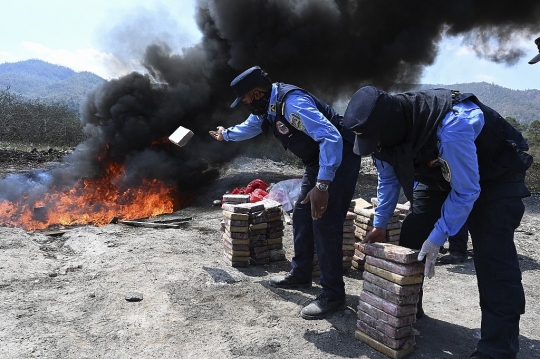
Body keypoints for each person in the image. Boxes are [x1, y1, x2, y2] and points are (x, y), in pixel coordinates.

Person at [342, 86, 532, 359]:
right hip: (440, 175)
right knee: (412, 233)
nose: (377, 146)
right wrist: (381, 223)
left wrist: (439, 236)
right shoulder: (386, 134)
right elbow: (388, 176)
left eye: (378, 140)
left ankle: (498, 347)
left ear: (392, 127)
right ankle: (407, 309)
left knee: (493, 257)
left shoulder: (452, 126)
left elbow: (466, 191)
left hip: (495, 176)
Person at [210, 66, 361, 319]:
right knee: (302, 213)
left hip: (339, 157)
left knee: (324, 222)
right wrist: (227, 135)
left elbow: (331, 138)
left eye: (245, 99)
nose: (245, 104)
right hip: (317, 161)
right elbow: (252, 126)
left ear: (257, 93)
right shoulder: (267, 105)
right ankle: (301, 273)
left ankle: (333, 294)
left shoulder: (293, 104)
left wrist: (323, 185)